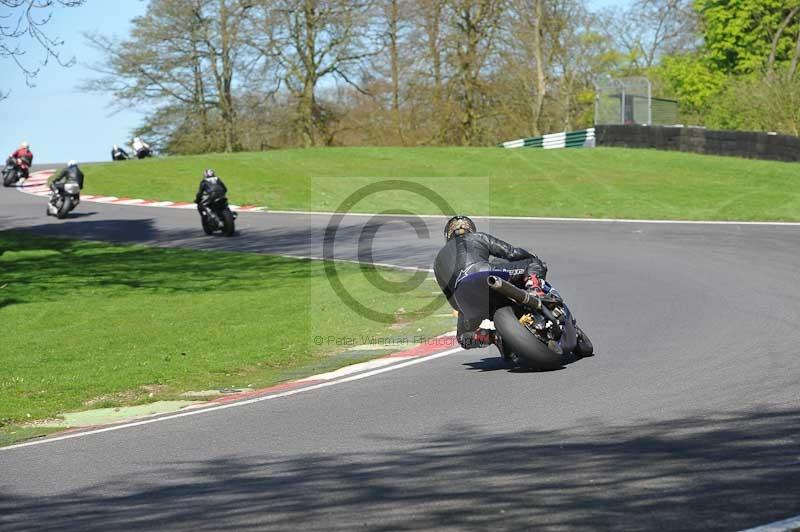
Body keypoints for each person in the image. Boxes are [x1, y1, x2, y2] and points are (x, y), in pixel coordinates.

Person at [433, 215, 549, 351]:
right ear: (471, 229)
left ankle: (493, 337)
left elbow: (451, 299)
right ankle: (534, 288)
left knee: (464, 337)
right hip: (486, 274)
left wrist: (465, 310)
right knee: (533, 263)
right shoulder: (478, 237)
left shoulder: (437, 262)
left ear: (448, 235)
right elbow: (511, 253)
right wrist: (530, 256)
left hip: (465, 297)